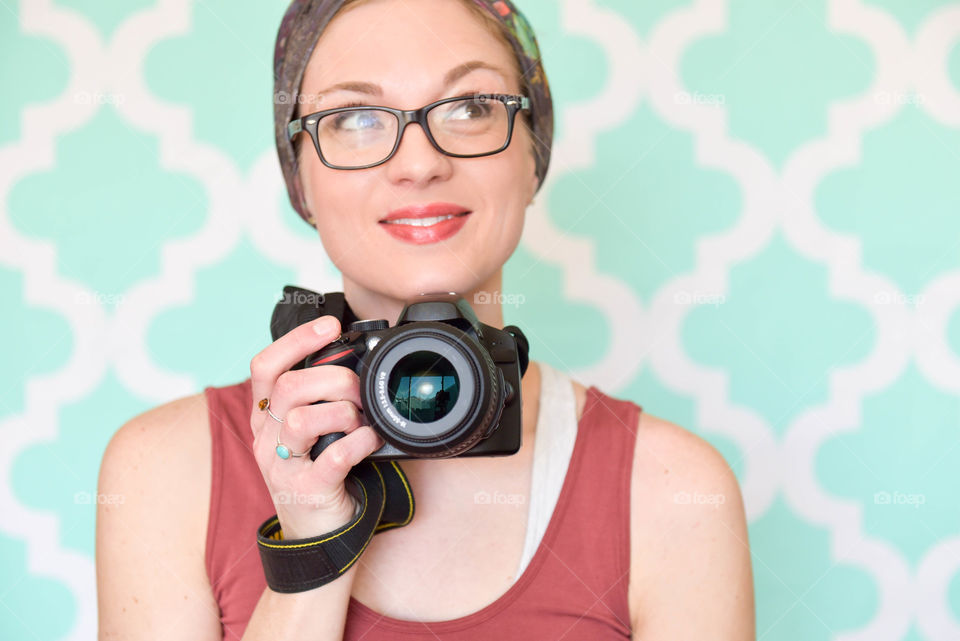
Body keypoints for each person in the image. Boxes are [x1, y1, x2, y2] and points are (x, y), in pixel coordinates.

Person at [95, 0, 755, 639]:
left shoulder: (673, 490)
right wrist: (313, 544)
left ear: (534, 155)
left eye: (471, 106)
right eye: (355, 117)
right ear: (300, 178)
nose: (419, 164)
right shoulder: (165, 471)